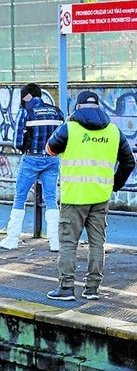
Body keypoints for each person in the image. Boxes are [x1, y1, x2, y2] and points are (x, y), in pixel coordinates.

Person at [45, 91, 135, 301]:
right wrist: (115, 184)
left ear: (77, 107)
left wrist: (66, 124)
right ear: (98, 107)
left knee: (68, 243)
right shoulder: (114, 131)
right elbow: (129, 162)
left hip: (74, 198)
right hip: (100, 197)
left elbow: (49, 149)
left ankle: (66, 288)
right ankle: (92, 288)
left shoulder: (70, 128)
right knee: (97, 244)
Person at [0, 83, 64, 251]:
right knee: (51, 199)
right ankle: (55, 242)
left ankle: (12, 239)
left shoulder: (26, 112)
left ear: (26, 96)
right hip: (52, 159)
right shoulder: (56, 111)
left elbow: (17, 142)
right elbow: (63, 137)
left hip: (31, 159)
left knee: (20, 198)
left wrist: (24, 147)